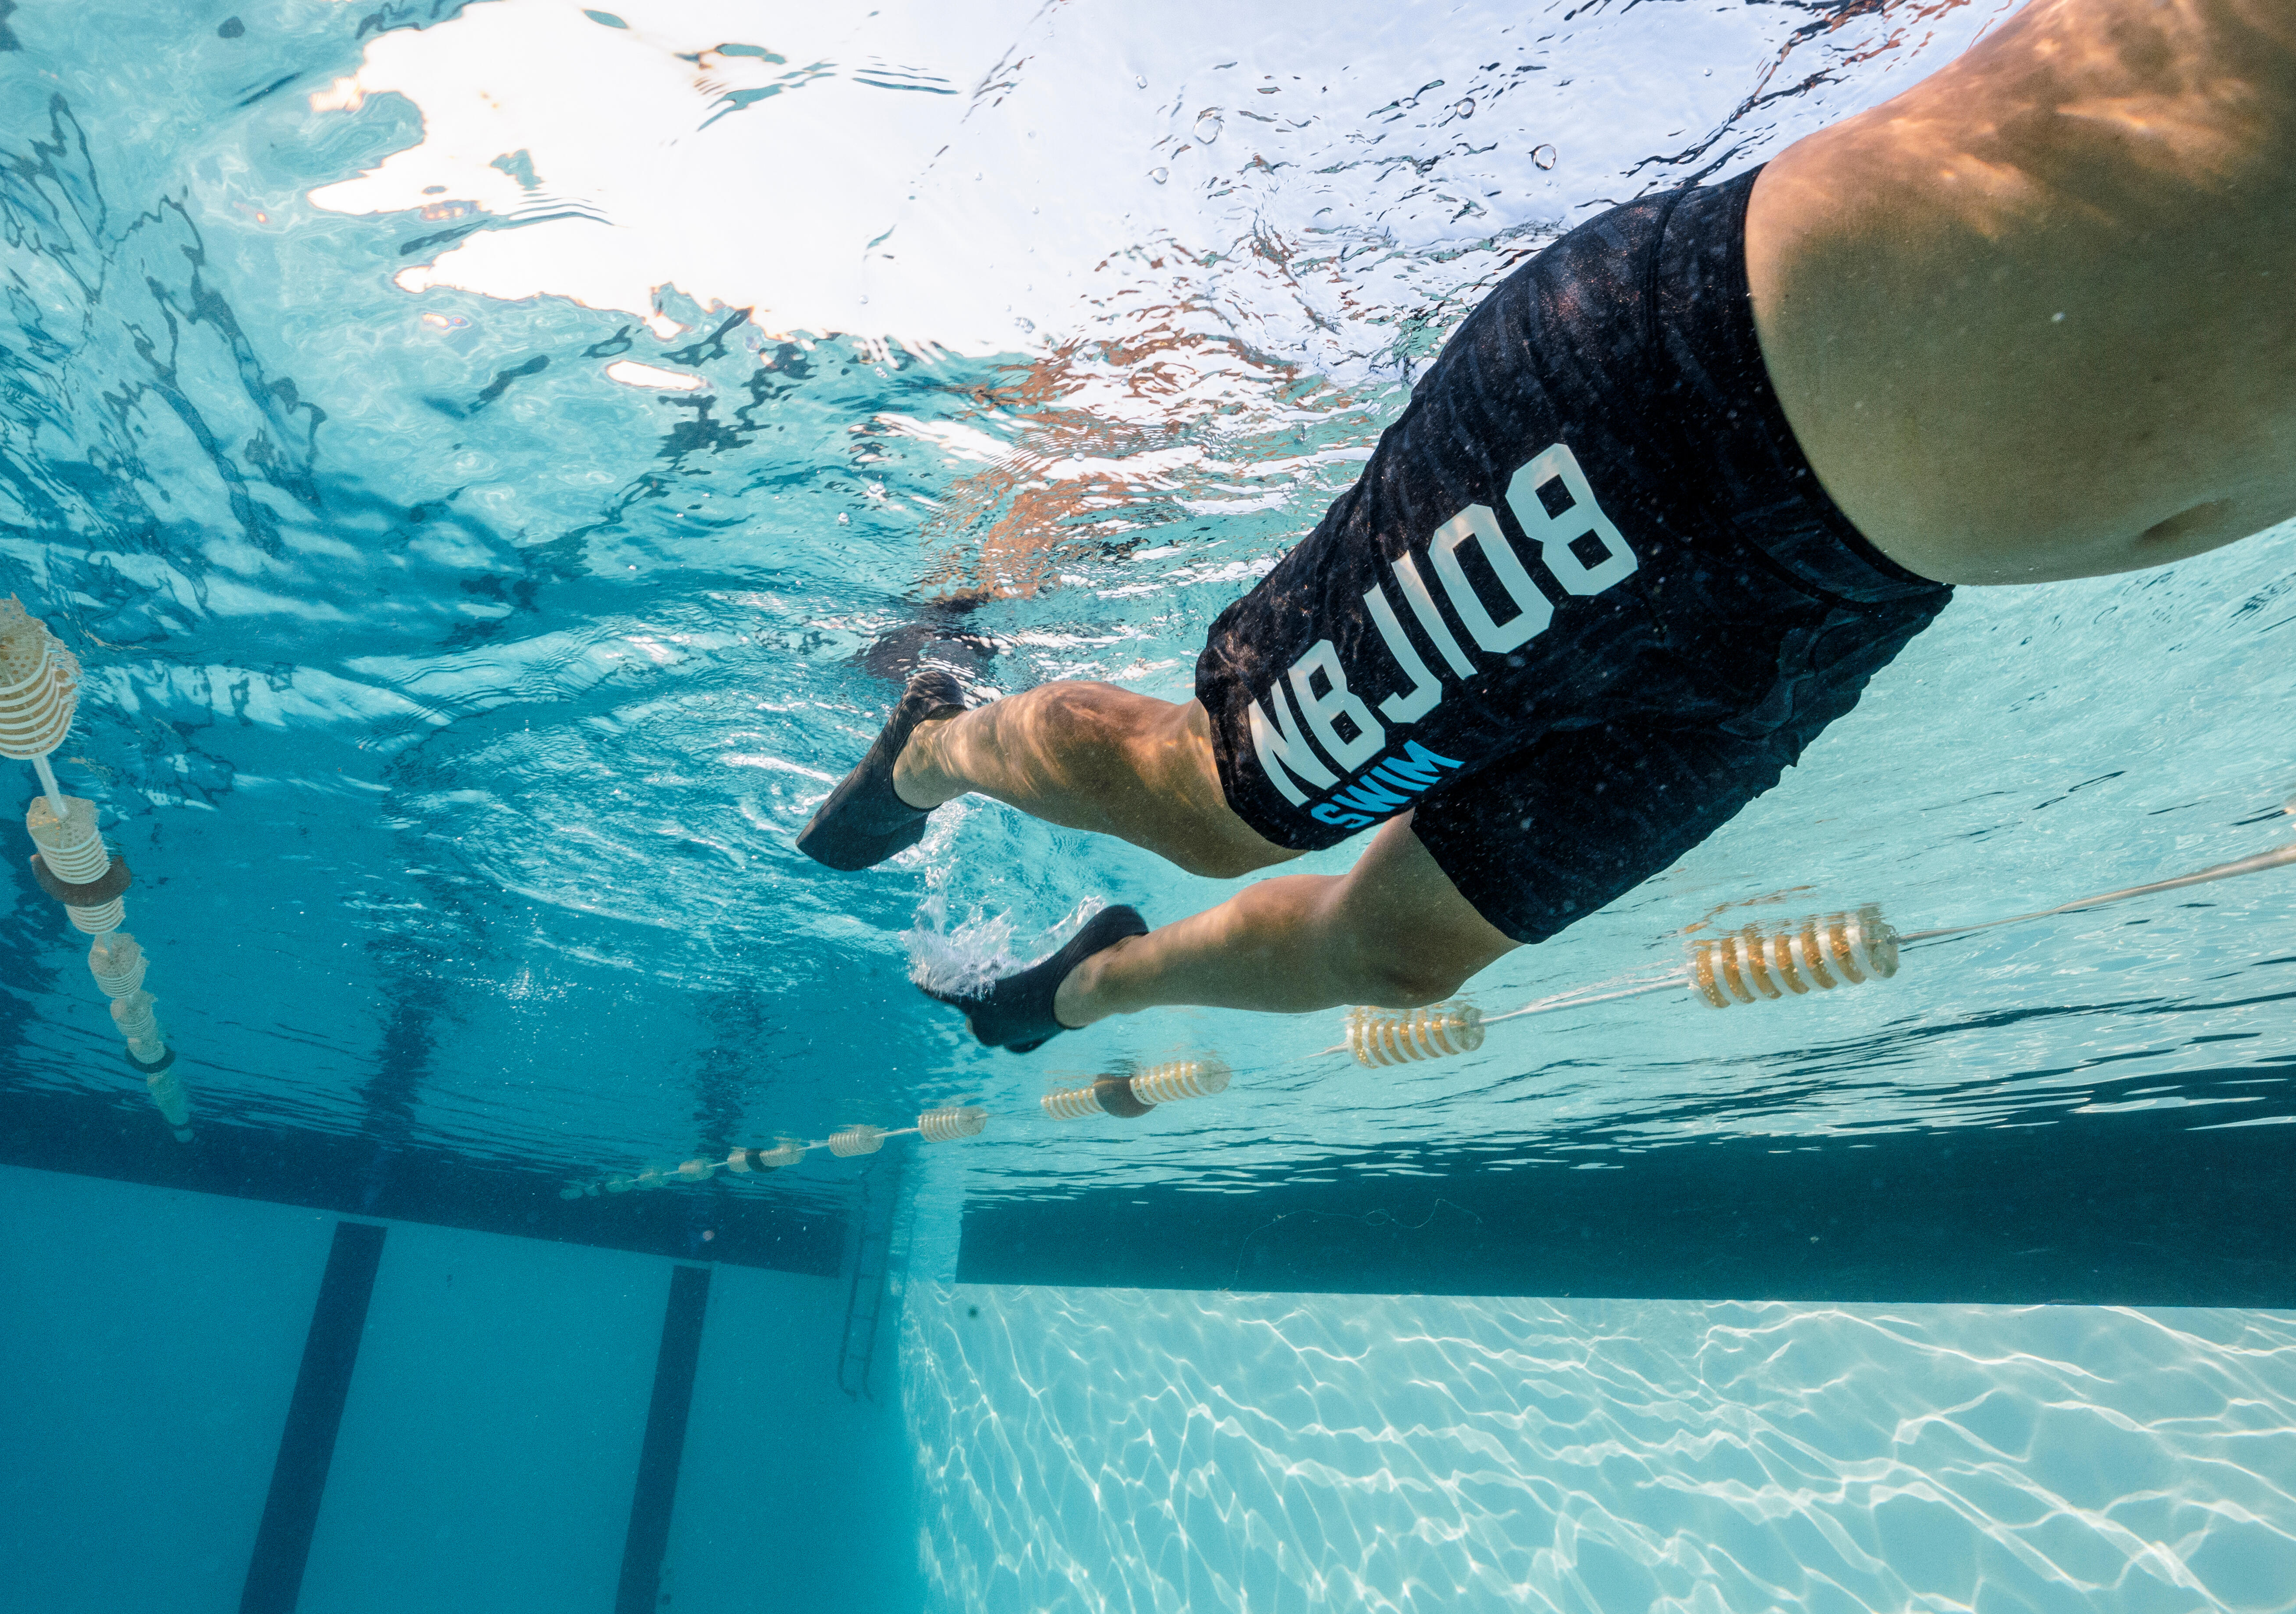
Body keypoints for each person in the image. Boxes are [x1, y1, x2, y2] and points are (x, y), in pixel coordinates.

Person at [797, 0, 2296, 1053]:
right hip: (1673, 403)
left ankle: (1072, 993)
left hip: (1853, 589)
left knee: (1397, 956)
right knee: (1216, 805)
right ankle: (932, 739)